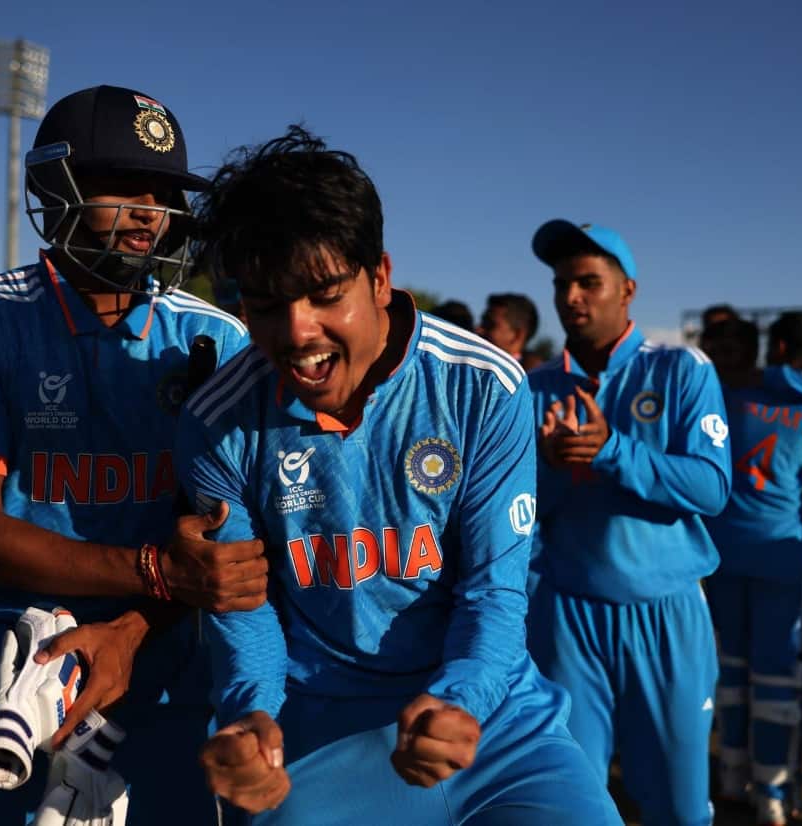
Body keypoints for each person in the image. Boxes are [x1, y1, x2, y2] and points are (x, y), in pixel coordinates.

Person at [175, 127, 621, 825]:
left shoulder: (483, 385)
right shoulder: (216, 420)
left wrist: (462, 699)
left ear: (379, 277)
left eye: (325, 294)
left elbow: (494, 595)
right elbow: (245, 606)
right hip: (317, 723)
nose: (296, 332)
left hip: (495, 721)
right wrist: (250, 714)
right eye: (264, 304)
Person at [0, 85, 267, 824]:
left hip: (162, 660)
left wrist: (135, 621)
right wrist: (151, 568)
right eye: (123, 187)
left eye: (163, 192)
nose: (148, 210)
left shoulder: (221, 340)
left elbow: (226, 545)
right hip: (3, 654)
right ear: (54, 187)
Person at [525, 219, 731, 826]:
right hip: (566, 618)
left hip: (664, 611)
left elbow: (712, 487)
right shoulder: (534, 387)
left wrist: (610, 449)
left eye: (588, 282)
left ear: (628, 290)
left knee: (679, 806)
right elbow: (518, 516)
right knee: (573, 804)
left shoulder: (681, 370)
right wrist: (551, 466)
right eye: (562, 284)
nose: (570, 297)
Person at [700, 314, 802, 826]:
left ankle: (730, 775)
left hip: (717, 558)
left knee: (731, 672)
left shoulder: (705, 401)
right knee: (777, 677)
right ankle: (773, 792)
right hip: (780, 560)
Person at [478, 292, 543, 370]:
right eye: (483, 322)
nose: (479, 329)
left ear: (517, 335)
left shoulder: (534, 377)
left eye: (490, 325)